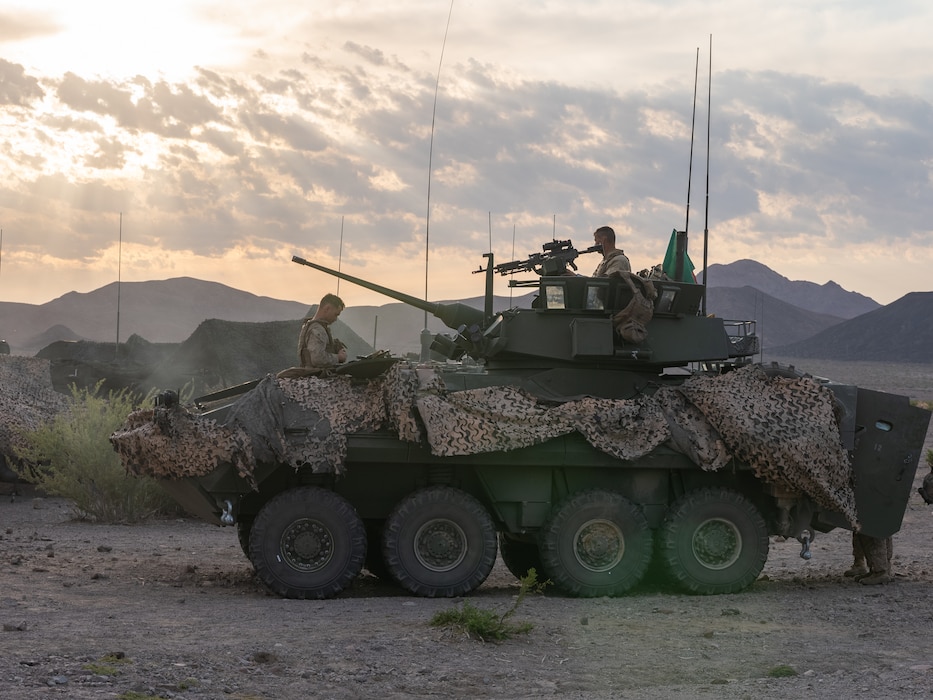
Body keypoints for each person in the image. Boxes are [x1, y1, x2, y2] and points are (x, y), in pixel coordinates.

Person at [297, 293, 348, 369]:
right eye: (336, 314)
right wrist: (339, 357)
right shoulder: (317, 330)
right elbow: (317, 359)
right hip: (315, 374)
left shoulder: (314, 326)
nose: (336, 319)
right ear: (327, 309)